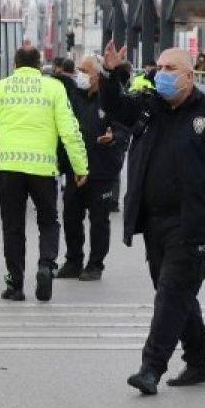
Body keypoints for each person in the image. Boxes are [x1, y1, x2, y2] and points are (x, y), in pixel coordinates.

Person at [98, 41, 205, 394]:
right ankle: (199, 361)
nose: (161, 75)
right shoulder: (148, 108)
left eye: (170, 69)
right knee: (176, 293)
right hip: (154, 220)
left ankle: (151, 367)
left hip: (194, 220)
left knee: (171, 293)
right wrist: (111, 74)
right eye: (158, 68)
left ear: (189, 76)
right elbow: (116, 106)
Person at [0, 45, 89, 302]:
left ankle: (15, 285)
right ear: (39, 65)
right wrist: (80, 167)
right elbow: (70, 131)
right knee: (48, 222)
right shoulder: (54, 88)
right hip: (43, 170)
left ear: (14, 64)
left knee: (13, 228)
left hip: (8, 169)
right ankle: (46, 265)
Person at [57, 56, 129, 281]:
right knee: (71, 217)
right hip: (75, 170)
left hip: (101, 170)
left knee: (99, 220)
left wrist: (113, 137)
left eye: (84, 70)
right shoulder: (72, 97)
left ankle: (95, 264)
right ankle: (73, 261)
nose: (79, 74)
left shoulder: (112, 100)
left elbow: (125, 132)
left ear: (97, 76)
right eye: (78, 69)